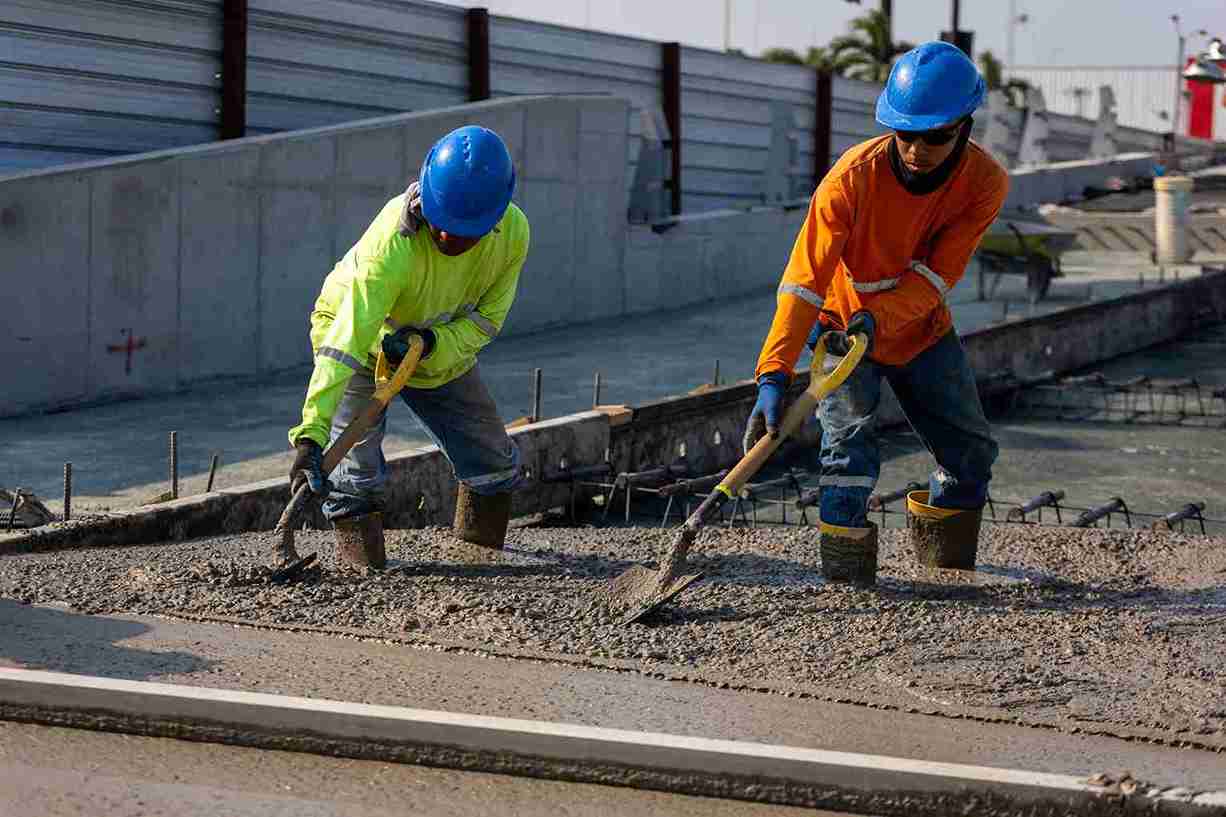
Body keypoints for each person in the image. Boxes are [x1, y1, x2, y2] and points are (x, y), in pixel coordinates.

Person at [744, 41, 1008, 580]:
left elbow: (937, 275)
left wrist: (882, 317)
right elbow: (803, 283)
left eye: (934, 136)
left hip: (921, 332)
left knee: (970, 455)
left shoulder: (985, 183)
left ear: (965, 126)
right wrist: (773, 372)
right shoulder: (851, 179)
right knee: (848, 458)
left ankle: (946, 572)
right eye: (906, 133)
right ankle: (850, 591)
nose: (917, 149)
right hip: (842, 335)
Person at [284, 125, 529, 560]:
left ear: (496, 217)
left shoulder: (512, 235)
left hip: (436, 344)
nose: (450, 239)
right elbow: (345, 343)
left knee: (493, 461)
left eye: (466, 231)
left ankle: (479, 555)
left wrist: (432, 344)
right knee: (355, 479)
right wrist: (312, 432)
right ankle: (362, 570)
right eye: (444, 226)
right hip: (359, 340)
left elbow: (486, 323)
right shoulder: (391, 248)